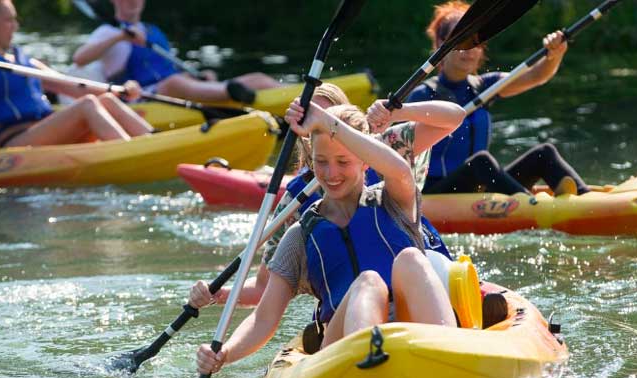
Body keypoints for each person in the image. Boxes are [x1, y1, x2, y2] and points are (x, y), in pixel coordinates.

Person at [196, 100, 458, 374]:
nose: (331, 174)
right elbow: (264, 318)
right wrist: (224, 353)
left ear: (365, 161)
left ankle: (450, 357)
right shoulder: (300, 234)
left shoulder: (393, 200)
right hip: (342, 348)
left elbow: (400, 170)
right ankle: (371, 367)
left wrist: (326, 121)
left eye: (343, 161)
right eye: (321, 162)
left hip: (412, 332)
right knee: (368, 282)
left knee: (412, 258)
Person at [187, 84, 465, 310]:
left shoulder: (389, 145)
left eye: (328, 117)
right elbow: (265, 287)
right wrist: (219, 294)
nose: (322, 126)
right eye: (311, 117)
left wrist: (398, 112)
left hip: (428, 276)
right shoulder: (295, 199)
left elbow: (453, 117)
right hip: (358, 305)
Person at [407, 0, 589, 196]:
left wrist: (554, 54)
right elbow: (398, 151)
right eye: (461, 41)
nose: (469, 50)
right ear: (440, 45)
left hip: (481, 183)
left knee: (544, 154)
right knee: (481, 162)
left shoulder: (484, 87)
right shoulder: (423, 95)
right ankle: (528, 206)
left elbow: (537, 76)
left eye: (475, 42)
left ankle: (586, 199)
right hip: (436, 193)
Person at [0, 0, 153, 148]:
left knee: (107, 100)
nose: (15, 26)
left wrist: (120, 90)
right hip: (13, 141)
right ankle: (130, 152)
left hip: (47, 130)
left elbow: (74, 86)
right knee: (87, 104)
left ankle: (153, 140)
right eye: (8, 20)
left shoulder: (27, 63)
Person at [72, 0, 280, 104]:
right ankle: (230, 92)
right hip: (142, 96)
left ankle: (299, 97)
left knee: (257, 78)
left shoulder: (152, 30)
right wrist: (120, 37)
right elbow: (79, 59)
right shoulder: (108, 31)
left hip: (175, 88)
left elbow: (171, 68)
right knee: (174, 83)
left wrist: (197, 77)